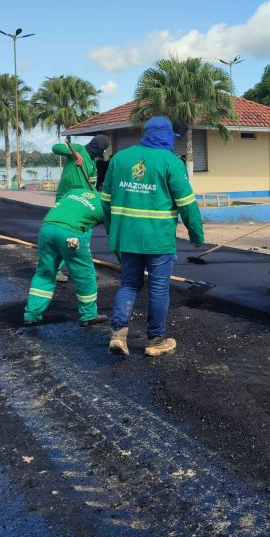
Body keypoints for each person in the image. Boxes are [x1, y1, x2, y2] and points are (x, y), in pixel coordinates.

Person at [102, 117, 203, 357]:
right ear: (167, 136)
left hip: (127, 237)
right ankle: (156, 340)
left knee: (128, 284)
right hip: (159, 240)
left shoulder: (119, 159)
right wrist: (196, 233)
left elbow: (105, 202)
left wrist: (112, 232)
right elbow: (187, 203)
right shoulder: (171, 162)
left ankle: (118, 335)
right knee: (158, 288)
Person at [23, 187, 107, 327]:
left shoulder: (75, 191)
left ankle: (31, 315)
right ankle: (89, 315)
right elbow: (114, 235)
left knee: (45, 273)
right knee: (84, 275)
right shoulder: (106, 204)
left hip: (46, 229)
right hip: (71, 235)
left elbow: (76, 216)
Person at [51, 135, 110, 282]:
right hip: (66, 200)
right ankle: (56, 270)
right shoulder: (77, 149)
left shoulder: (92, 164)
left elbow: (92, 188)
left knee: (84, 236)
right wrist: (73, 154)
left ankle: (81, 269)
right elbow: (55, 148)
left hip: (81, 203)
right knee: (70, 237)